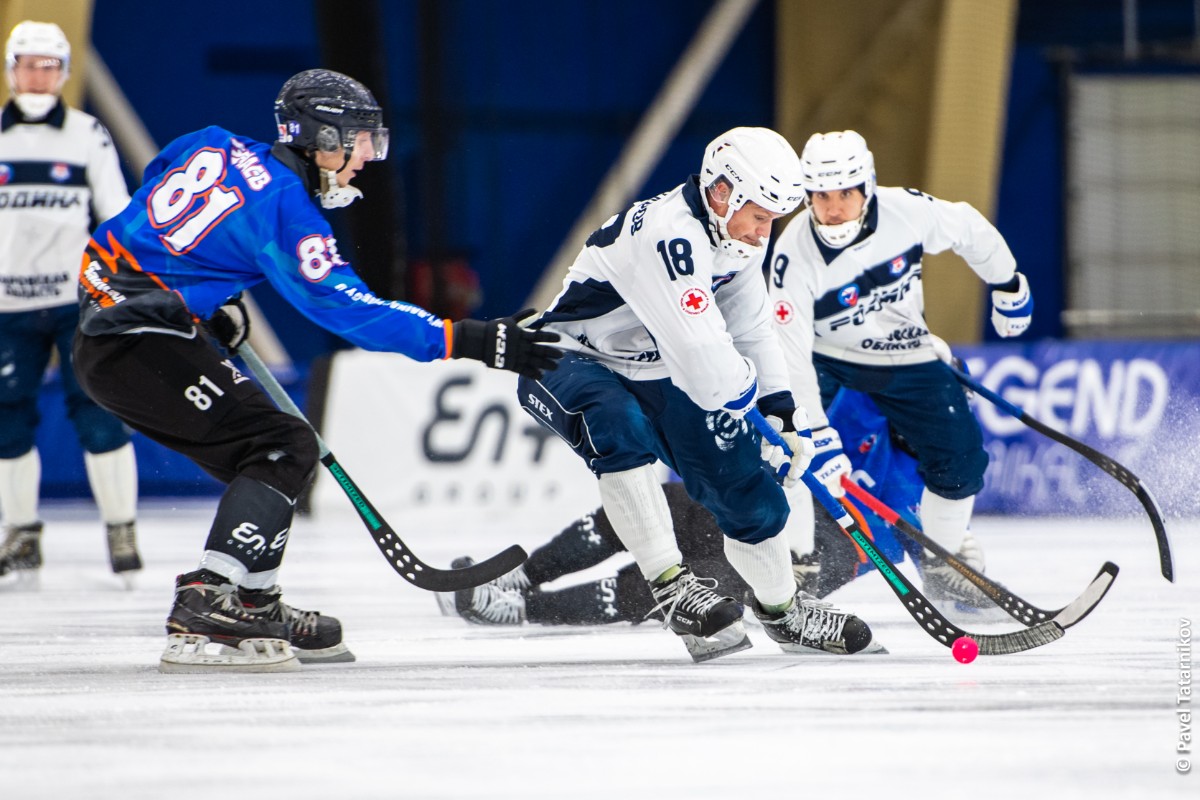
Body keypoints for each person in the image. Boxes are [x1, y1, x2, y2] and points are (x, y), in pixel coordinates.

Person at [71, 68, 561, 673]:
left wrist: (202, 301)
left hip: (118, 320)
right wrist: (468, 338)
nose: (366, 159)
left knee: (279, 454)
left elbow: (155, 199)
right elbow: (347, 309)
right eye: (362, 142)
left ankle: (254, 597)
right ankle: (211, 599)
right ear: (325, 139)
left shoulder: (212, 141)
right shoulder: (287, 207)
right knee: (281, 445)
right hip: (134, 340)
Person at [516, 127, 880, 662]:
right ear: (722, 192)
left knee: (743, 485)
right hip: (567, 357)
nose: (764, 233)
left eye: (773, 220)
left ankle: (784, 611)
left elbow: (753, 328)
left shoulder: (737, 237)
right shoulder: (671, 235)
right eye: (759, 216)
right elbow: (707, 363)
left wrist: (782, 413)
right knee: (618, 425)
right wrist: (761, 415)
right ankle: (671, 586)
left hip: (655, 363)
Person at [767, 129, 1033, 611]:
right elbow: (790, 357)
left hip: (906, 356)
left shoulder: (905, 210)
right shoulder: (792, 255)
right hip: (826, 359)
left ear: (866, 186)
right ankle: (795, 564)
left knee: (962, 462)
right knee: (789, 445)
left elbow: (968, 228)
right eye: (820, 195)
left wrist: (1009, 282)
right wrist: (816, 432)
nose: (833, 208)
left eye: (845, 193)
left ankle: (942, 562)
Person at [439, 389, 925, 629]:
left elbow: (932, 559)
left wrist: (954, 569)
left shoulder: (927, 482)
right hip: (770, 500)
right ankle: (519, 576)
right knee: (649, 508)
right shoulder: (862, 403)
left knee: (689, 580)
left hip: (822, 555)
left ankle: (518, 609)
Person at [0, 21, 142, 585]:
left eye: (49, 65)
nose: (38, 75)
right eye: (28, 64)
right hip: (6, 306)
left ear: (64, 72)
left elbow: (117, 213)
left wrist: (127, 281)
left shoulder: (88, 134)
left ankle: (121, 528)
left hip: (75, 301)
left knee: (100, 412)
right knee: (7, 423)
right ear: (12, 69)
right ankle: (22, 532)